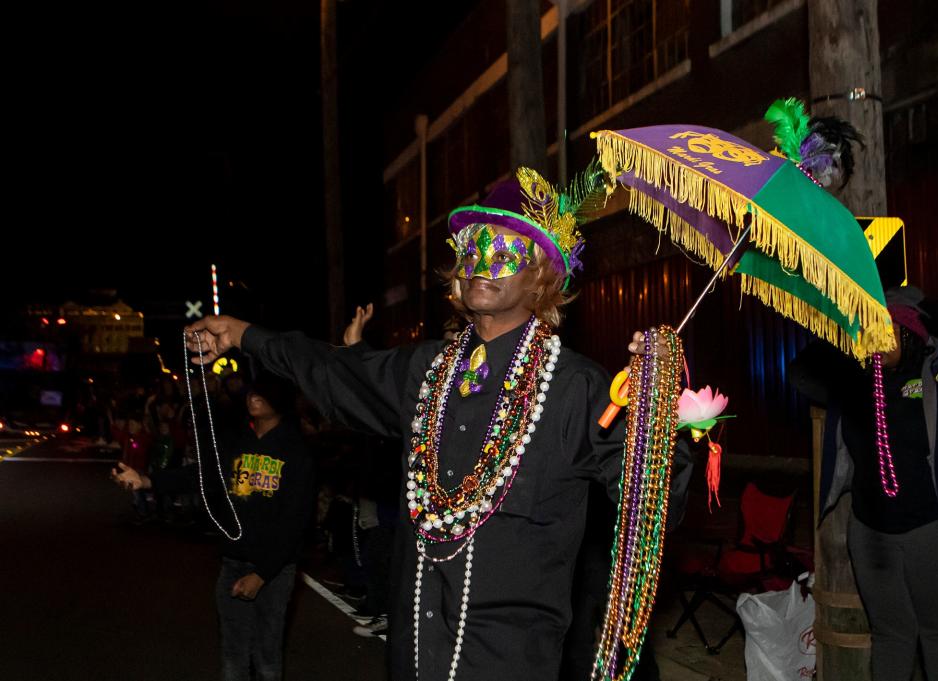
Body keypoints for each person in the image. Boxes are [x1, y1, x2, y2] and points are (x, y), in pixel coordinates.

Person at [185, 167, 692, 681]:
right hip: (415, 656)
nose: (481, 263)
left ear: (542, 273)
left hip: (506, 665)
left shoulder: (575, 389)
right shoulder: (425, 371)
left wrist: (653, 412)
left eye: (505, 251)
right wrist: (244, 334)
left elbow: (653, 500)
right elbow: (339, 374)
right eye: (473, 248)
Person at [790, 285, 938, 681]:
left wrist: (929, 307)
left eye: (887, 332)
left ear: (911, 335)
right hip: (870, 535)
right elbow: (800, 373)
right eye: (869, 333)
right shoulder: (854, 384)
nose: (876, 343)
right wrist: (839, 322)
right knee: (891, 634)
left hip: (930, 533)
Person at [112, 373, 316, 681]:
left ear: (282, 402)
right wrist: (147, 480)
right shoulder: (236, 441)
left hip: (274, 571)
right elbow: (202, 474)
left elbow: (296, 523)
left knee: (267, 656)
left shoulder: (296, 451)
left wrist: (261, 575)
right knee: (233, 654)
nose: (253, 397)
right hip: (233, 563)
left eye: (264, 393)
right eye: (251, 392)